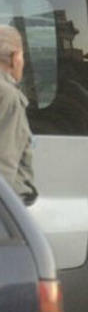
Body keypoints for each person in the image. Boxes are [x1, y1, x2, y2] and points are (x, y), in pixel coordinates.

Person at [0, 25, 38, 205]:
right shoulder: (8, 96)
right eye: (23, 56)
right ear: (15, 58)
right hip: (9, 202)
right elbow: (4, 162)